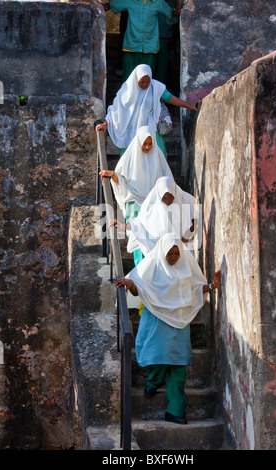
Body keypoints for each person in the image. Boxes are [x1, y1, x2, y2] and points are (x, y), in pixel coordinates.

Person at [116, 233, 221, 424]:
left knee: (179, 365)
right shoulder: (153, 264)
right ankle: (154, 381)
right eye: (169, 254)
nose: (173, 258)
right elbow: (137, 287)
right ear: (162, 252)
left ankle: (175, 410)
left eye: (176, 254)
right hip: (156, 317)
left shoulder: (186, 266)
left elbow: (196, 288)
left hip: (180, 320)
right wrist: (130, 283)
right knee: (159, 357)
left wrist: (212, 285)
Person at [100, 126, 173, 265]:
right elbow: (122, 181)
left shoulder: (158, 156)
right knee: (139, 243)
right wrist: (113, 175)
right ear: (138, 141)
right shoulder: (130, 157)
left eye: (150, 143)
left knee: (155, 242)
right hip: (135, 206)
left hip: (155, 207)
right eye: (144, 143)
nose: (147, 147)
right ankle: (140, 278)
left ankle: (152, 277)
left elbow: (167, 180)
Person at [95, 64, 197, 158]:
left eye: (147, 81)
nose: (145, 84)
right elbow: (115, 110)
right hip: (132, 132)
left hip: (151, 129)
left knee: (156, 159)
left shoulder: (156, 87)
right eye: (142, 81)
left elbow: (171, 98)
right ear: (136, 79)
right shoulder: (126, 90)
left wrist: (189, 106)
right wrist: (105, 124)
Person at [110, 176, 199, 258]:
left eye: (171, 197)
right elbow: (139, 223)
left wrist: (186, 237)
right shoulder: (149, 207)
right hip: (161, 253)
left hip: (182, 249)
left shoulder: (185, 198)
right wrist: (123, 226)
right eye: (165, 198)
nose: (168, 201)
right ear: (159, 195)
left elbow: (195, 217)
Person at [102, 0, 181, 81]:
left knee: (146, 80)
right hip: (131, 47)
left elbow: (171, 13)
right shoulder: (130, 1)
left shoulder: (158, 3)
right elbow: (112, 5)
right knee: (129, 80)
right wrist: (101, 6)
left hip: (150, 48)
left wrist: (180, 11)